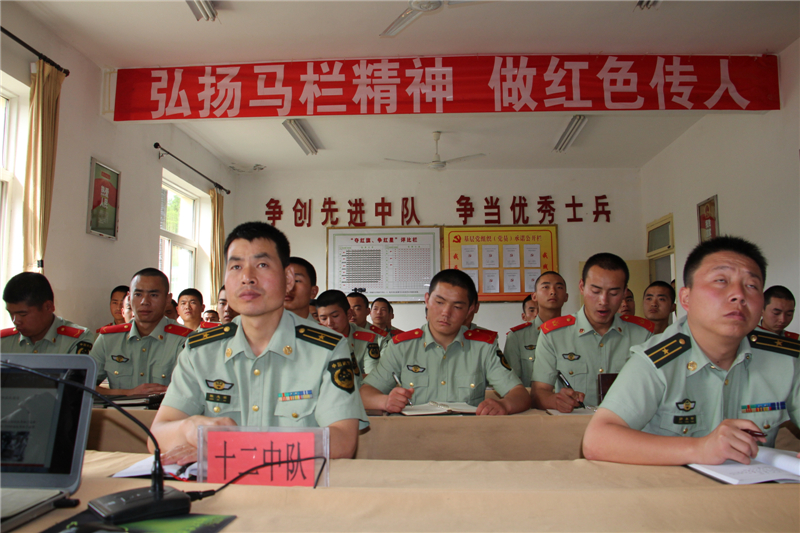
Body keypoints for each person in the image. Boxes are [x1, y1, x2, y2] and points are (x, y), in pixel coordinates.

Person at [150, 222, 367, 464]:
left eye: (262, 265)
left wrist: (239, 447)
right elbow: (157, 436)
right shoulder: (200, 350)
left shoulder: (327, 348)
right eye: (236, 266)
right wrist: (189, 429)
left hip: (296, 485)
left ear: (288, 279)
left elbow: (342, 441)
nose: (247, 278)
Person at [583, 236, 800, 465]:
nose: (739, 295)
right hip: (675, 485)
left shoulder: (785, 359)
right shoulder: (657, 361)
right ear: (686, 298)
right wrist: (700, 448)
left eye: (751, 286)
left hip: (757, 486)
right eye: (721, 281)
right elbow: (597, 440)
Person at [360, 269, 529, 415]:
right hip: (415, 435)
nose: (446, 313)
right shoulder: (402, 347)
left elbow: (520, 394)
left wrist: (504, 405)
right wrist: (385, 401)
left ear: (470, 310)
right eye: (439, 302)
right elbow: (364, 393)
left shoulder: (483, 347)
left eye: (457, 307)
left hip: (468, 435)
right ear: (427, 300)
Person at [532, 253, 653, 412]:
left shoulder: (643, 335)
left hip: (627, 424)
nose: (603, 301)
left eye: (613, 293)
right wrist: (556, 401)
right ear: (582, 287)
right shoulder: (554, 335)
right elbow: (538, 393)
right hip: (575, 425)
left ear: (625, 292)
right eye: (596, 291)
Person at [90, 268, 192, 396]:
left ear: (167, 299)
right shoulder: (109, 339)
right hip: (118, 408)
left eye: (153, 295)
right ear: (129, 298)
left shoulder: (185, 340)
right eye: (138, 295)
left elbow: (193, 393)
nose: (145, 302)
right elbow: (82, 385)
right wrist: (127, 393)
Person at [2, 272, 94, 355]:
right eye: (11, 313)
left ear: (48, 307)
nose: (15, 321)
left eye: (23, 314)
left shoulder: (77, 340)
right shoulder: (3, 342)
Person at [504, 271, 569, 386]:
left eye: (559, 287)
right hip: (532, 397)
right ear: (534, 296)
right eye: (546, 287)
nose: (553, 292)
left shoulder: (576, 333)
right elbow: (512, 384)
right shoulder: (517, 337)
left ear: (566, 297)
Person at [315, 290, 381, 377]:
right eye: (323, 318)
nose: (329, 323)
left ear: (349, 314)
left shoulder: (367, 338)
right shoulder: (314, 338)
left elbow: (372, 376)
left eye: (335, 316)